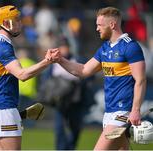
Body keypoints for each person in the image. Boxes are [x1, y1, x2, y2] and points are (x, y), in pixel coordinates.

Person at [46, 7, 146, 150]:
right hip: (109, 113)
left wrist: (135, 110)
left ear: (112, 25)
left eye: (100, 25)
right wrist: (60, 60)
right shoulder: (105, 48)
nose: (97, 29)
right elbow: (83, 70)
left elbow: (140, 80)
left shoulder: (130, 47)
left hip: (123, 112)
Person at [0, 5, 58, 150]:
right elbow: (22, 75)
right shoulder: (3, 47)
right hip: (3, 107)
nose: (20, 23)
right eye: (16, 20)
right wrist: (47, 61)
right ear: (6, 23)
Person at [39, 37, 84, 150]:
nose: (64, 49)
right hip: (60, 100)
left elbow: (86, 75)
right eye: (62, 47)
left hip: (74, 100)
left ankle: (70, 147)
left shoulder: (77, 59)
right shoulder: (53, 64)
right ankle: (60, 148)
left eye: (65, 47)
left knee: (75, 127)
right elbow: (47, 80)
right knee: (59, 127)